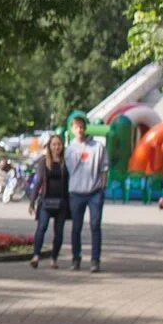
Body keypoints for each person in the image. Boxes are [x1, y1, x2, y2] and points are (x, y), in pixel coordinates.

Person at [64, 114, 109, 273]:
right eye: (76, 127)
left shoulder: (97, 147)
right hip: (76, 193)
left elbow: (104, 168)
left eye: (82, 127)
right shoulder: (70, 149)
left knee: (95, 225)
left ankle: (95, 260)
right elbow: (68, 170)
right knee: (76, 227)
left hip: (94, 192)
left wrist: (102, 187)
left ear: (86, 128)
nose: (80, 130)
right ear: (72, 129)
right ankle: (76, 258)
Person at [28, 135, 70, 267]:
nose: (56, 147)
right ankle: (36, 256)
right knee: (41, 227)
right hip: (46, 201)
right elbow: (38, 182)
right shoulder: (43, 162)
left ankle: (54, 258)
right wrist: (32, 201)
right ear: (49, 146)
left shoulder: (66, 162)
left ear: (62, 146)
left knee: (59, 231)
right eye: (54, 144)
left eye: (59, 144)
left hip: (62, 202)